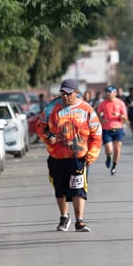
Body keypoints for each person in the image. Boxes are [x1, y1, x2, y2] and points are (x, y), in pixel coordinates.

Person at [36, 79, 102, 232]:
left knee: (78, 188)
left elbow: (96, 133)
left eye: (68, 94)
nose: (65, 97)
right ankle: (64, 217)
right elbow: (40, 126)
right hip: (57, 157)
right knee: (60, 189)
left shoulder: (87, 109)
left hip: (79, 157)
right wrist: (47, 137)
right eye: (63, 93)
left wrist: (91, 155)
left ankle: (80, 221)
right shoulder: (52, 108)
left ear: (76, 93)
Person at [96, 86, 128, 175]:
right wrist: (101, 120)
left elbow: (125, 118)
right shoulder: (103, 103)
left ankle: (114, 166)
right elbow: (97, 115)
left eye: (110, 92)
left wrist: (119, 115)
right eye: (107, 92)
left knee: (117, 149)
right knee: (109, 149)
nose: (108, 93)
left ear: (115, 93)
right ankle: (108, 156)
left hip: (118, 129)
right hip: (107, 129)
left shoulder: (120, 103)